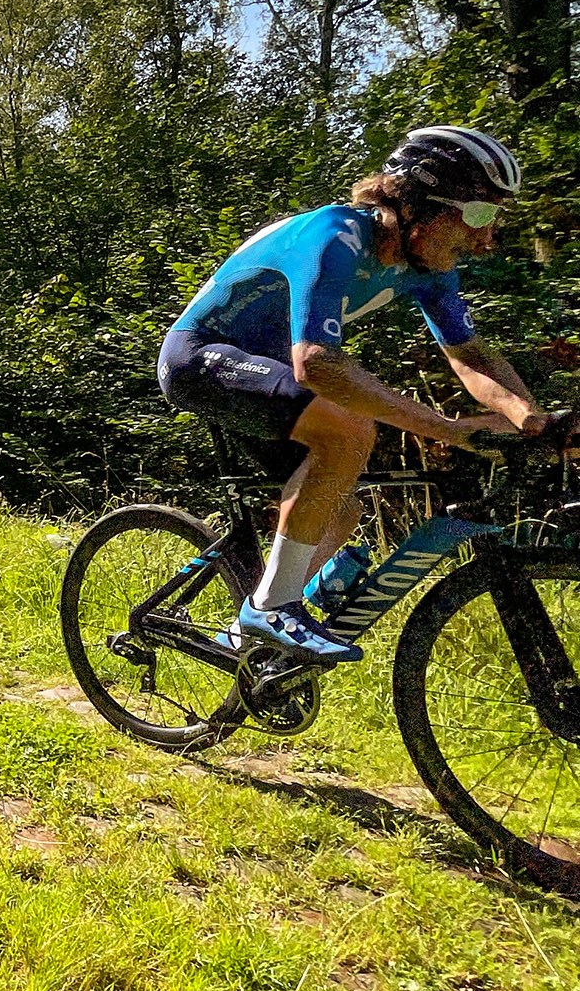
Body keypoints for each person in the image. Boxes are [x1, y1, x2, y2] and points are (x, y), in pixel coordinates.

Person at [158, 125, 550, 663]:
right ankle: (272, 607)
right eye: (480, 215)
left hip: (269, 373)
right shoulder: (335, 235)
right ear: (418, 204)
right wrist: (442, 428)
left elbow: (472, 359)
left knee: (341, 511)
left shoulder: (427, 270)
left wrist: (532, 420)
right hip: (199, 356)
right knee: (349, 429)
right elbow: (317, 365)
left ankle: (247, 642)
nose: (487, 239)